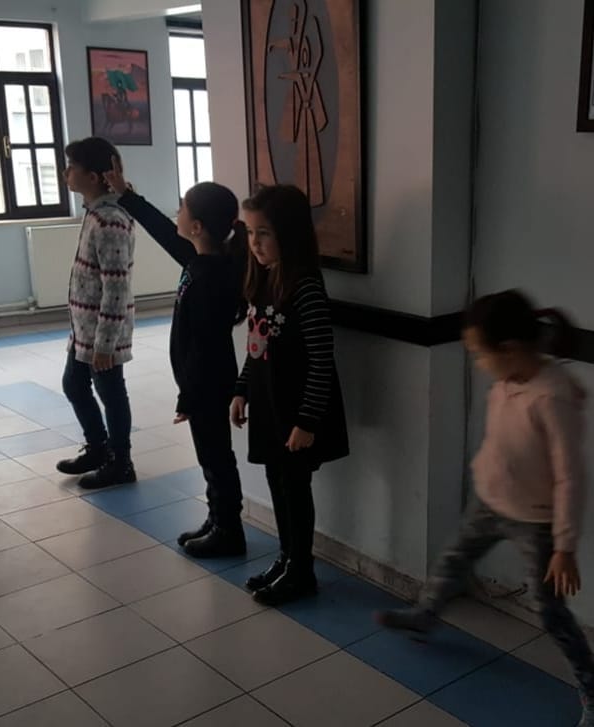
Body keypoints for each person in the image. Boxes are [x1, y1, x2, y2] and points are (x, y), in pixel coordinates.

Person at [375, 290, 594, 727]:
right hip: (490, 502)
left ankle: (590, 685)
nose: (477, 363)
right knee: (453, 560)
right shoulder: (508, 379)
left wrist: (564, 547)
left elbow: (571, 476)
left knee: (549, 610)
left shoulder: (551, 397)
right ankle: (424, 617)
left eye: (479, 354)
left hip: (535, 519)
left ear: (509, 349)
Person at [104, 158, 248, 558]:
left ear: (197, 226)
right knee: (211, 456)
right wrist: (127, 195)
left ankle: (229, 530)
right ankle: (218, 519)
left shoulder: (209, 278)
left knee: (216, 457)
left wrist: (188, 395)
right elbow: (165, 232)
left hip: (208, 382)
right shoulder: (201, 261)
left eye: (182, 207)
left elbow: (203, 346)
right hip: (205, 381)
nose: (177, 213)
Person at [231, 184, 349, 606]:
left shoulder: (305, 287)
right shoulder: (262, 281)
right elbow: (256, 346)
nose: (254, 243)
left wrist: (307, 421)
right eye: (250, 233)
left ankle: (302, 570)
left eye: (263, 233)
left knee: (295, 488)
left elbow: (322, 359)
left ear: (290, 233)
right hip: (268, 405)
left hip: (297, 411)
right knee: (277, 481)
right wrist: (242, 390)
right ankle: (286, 558)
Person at [56, 138, 136, 489]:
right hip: (84, 329)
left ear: (92, 176)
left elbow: (116, 287)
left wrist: (104, 344)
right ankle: (98, 447)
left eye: (71, 167)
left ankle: (120, 462)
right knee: (74, 384)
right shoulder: (94, 213)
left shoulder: (110, 220)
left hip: (103, 335)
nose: (65, 173)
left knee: (111, 393)